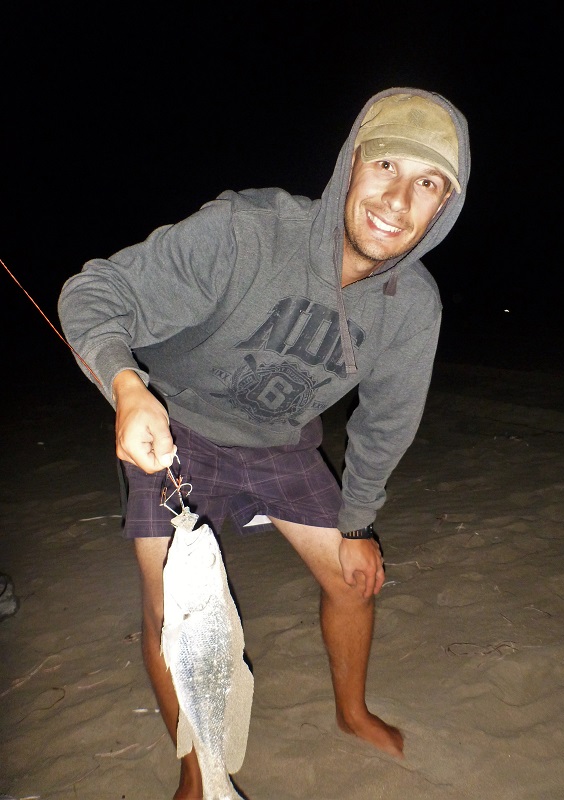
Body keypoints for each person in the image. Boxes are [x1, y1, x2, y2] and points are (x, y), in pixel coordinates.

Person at [59, 87, 470, 799]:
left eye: (428, 183)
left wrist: (360, 522)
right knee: (170, 612)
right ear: (350, 165)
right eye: (386, 167)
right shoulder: (246, 233)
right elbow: (95, 293)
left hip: (282, 447)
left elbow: (386, 423)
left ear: (445, 207)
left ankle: (351, 712)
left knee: (354, 578)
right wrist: (128, 389)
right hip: (178, 431)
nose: (398, 201)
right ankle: (198, 772)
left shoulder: (414, 307)